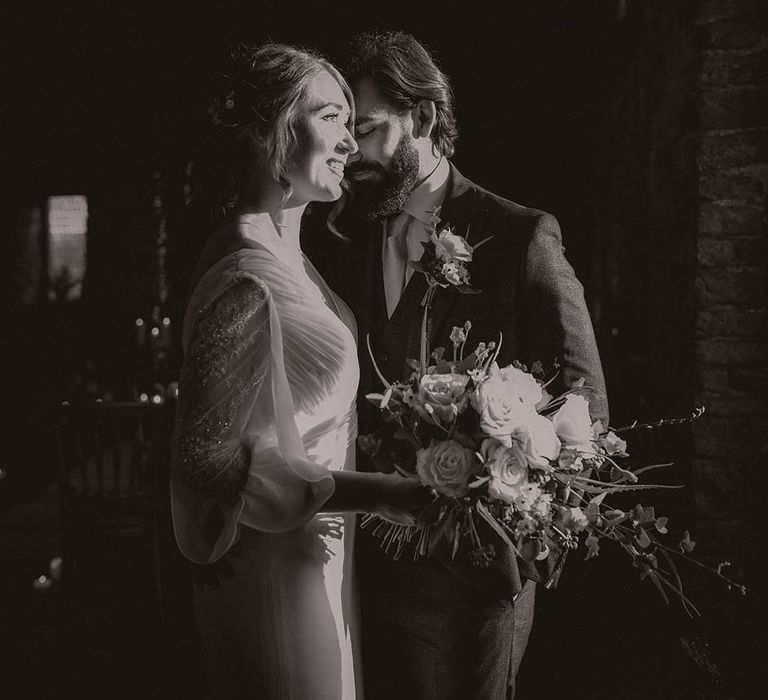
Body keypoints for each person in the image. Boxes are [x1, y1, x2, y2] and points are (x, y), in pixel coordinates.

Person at [305, 31, 610, 700]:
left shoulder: (520, 236)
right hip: (364, 572)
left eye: (367, 128)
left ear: (422, 117)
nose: (352, 152)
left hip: (477, 582)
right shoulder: (339, 239)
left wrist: (523, 543)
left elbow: (585, 401)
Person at [170, 42, 426, 700]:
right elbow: (206, 458)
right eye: (331, 117)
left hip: (319, 564)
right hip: (273, 577)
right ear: (270, 130)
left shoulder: (291, 256)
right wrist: (390, 494)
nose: (350, 140)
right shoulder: (246, 274)